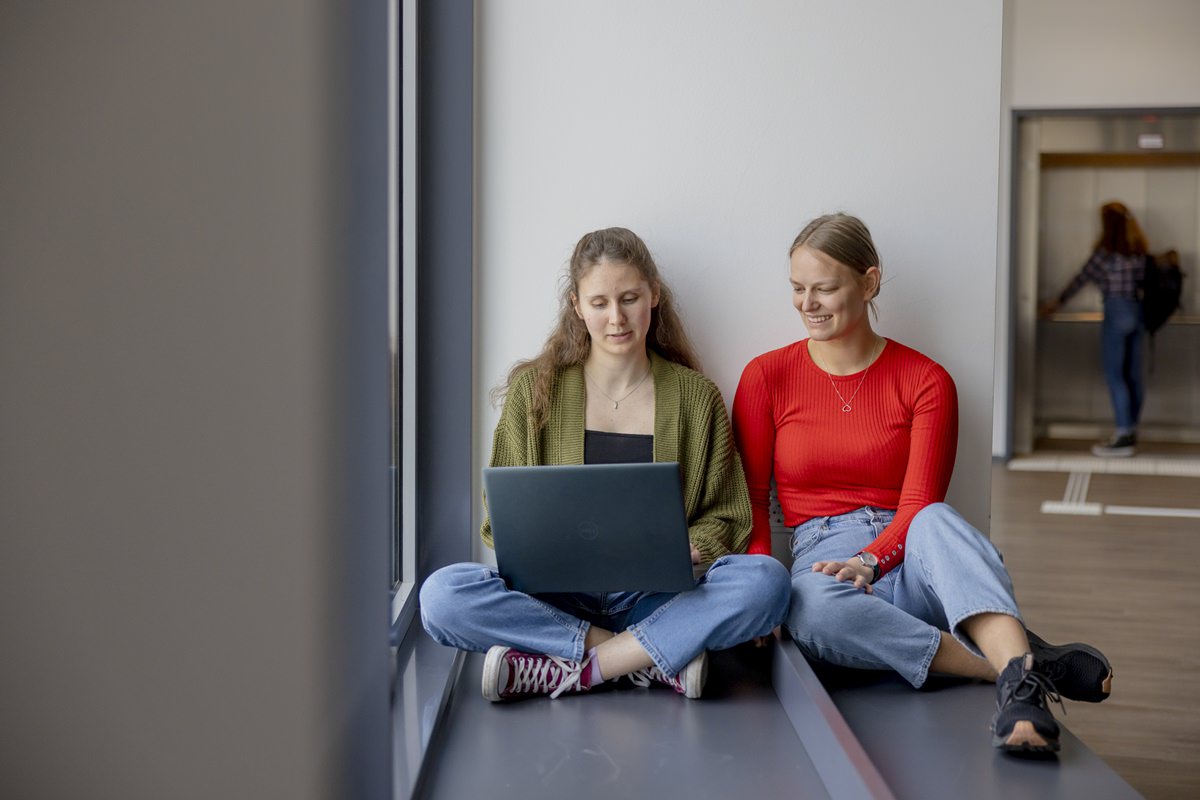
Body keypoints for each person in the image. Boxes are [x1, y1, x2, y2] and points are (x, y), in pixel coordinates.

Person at [732, 213, 1113, 754]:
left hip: (916, 555)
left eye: (825, 288)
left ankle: (1015, 676)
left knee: (937, 518)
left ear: (869, 282)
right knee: (808, 606)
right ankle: (1012, 669)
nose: (807, 304)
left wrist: (873, 558)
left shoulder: (925, 380)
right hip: (828, 567)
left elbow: (919, 505)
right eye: (797, 289)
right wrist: (764, 588)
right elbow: (750, 499)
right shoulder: (766, 376)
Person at [420, 226, 790, 702]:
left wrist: (691, 548)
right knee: (442, 596)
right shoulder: (535, 393)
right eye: (599, 303)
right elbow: (502, 519)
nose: (616, 318)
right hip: (555, 601)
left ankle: (570, 670)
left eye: (630, 298)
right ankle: (644, 660)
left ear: (654, 294)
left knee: (766, 582)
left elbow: (728, 514)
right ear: (576, 305)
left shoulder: (695, 398)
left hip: (656, 598)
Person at [1040, 201, 1149, 457]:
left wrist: (1057, 302)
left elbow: (1082, 278)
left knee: (1115, 374)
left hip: (1116, 311)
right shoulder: (1138, 249)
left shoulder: (1106, 252)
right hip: (1137, 311)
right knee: (1133, 374)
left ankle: (1123, 434)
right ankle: (1130, 429)